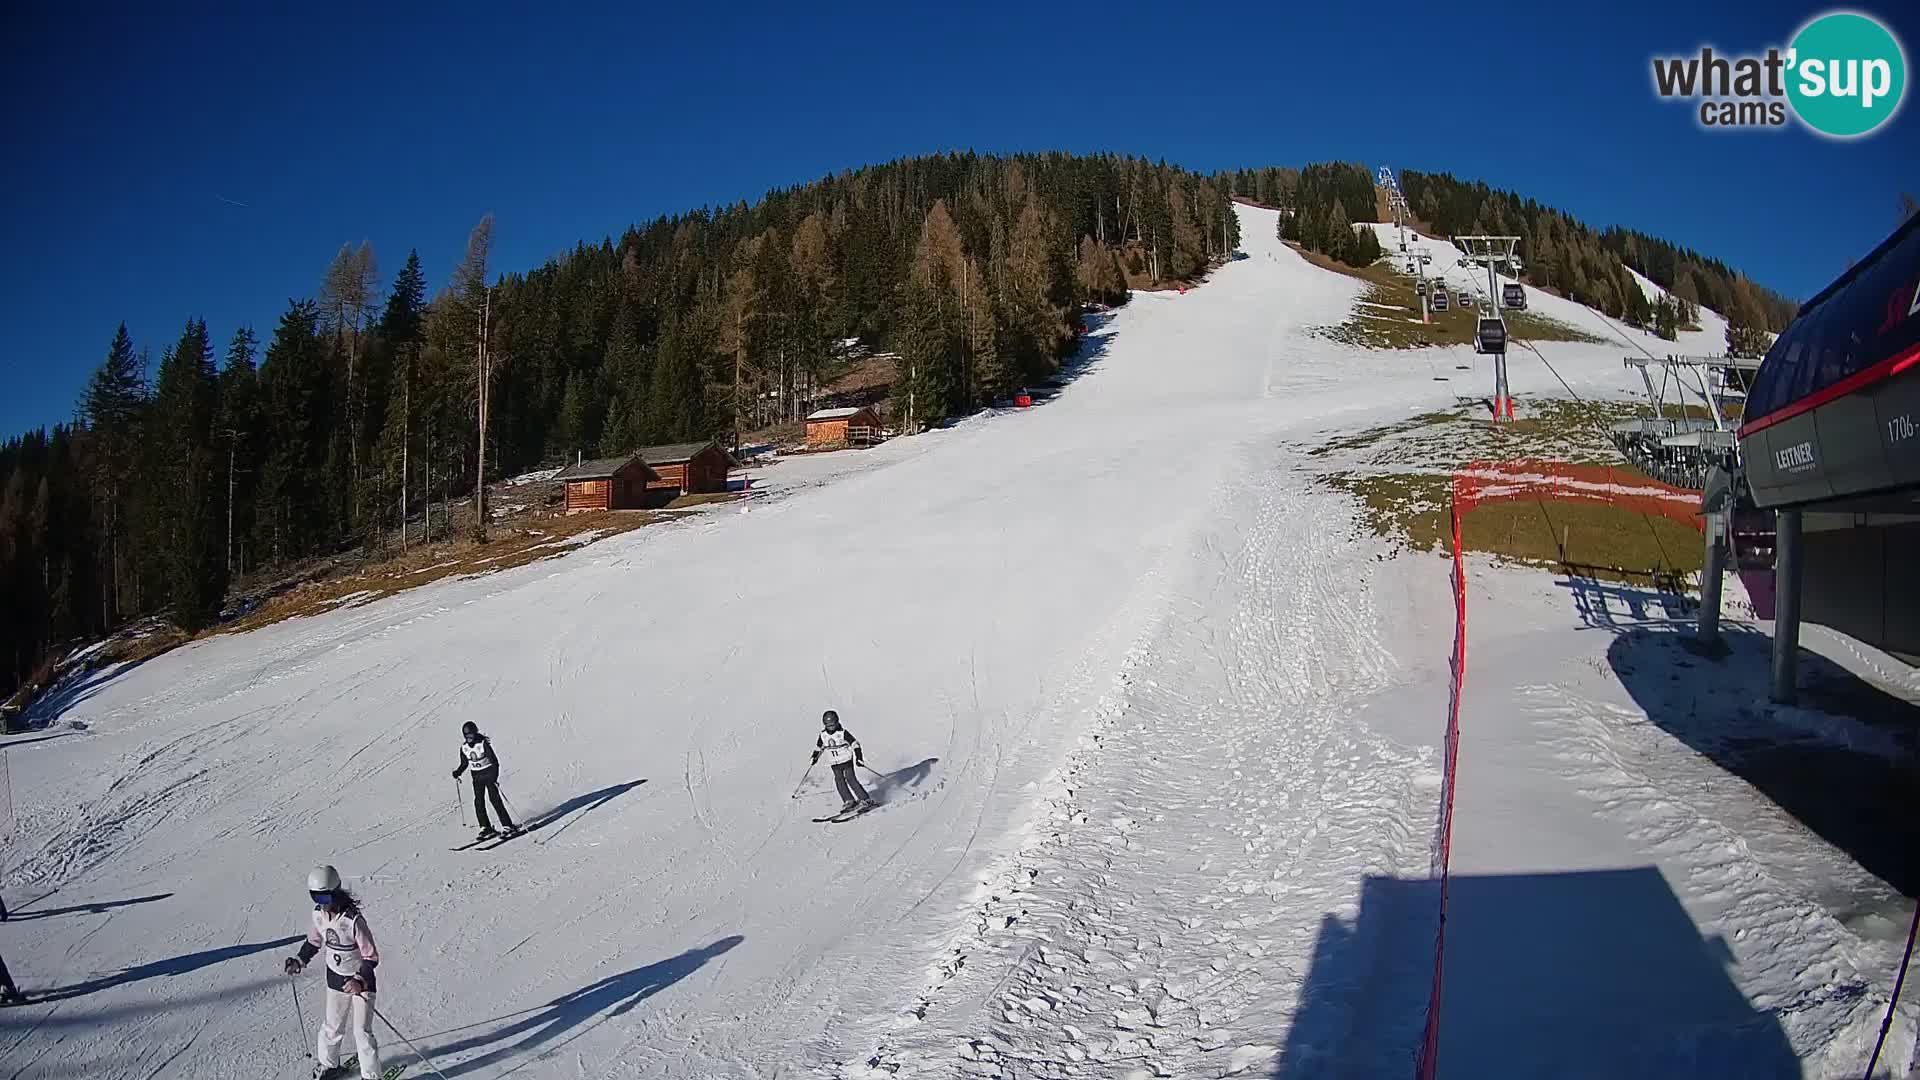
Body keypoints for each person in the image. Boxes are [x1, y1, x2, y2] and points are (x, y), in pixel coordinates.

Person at [284, 866, 381, 1080]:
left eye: (326, 896)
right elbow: (313, 941)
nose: (323, 902)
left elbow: (371, 956)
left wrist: (359, 979)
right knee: (332, 1026)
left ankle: (371, 1076)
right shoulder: (318, 914)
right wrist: (300, 960)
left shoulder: (353, 921)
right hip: (335, 979)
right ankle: (329, 1066)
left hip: (360, 983)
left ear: (336, 892)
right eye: (316, 897)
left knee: (361, 1032)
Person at [452, 721, 517, 841]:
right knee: (478, 802)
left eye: (471, 735)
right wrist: (458, 772)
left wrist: (494, 777)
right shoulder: (464, 748)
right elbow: (465, 763)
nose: (469, 738)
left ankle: (508, 826)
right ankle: (485, 827)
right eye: (467, 736)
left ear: (475, 734)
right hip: (476, 777)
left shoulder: (482, 744)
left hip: (489, 774)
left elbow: (494, 761)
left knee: (495, 800)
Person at [810, 710, 873, 814]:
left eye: (832, 724)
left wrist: (859, 757)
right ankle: (848, 800)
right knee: (839, 781)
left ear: (837, 722)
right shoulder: (823, 735)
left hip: (846, 760)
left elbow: (855, 744)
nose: (831, 727)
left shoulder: (842, 733)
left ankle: (865, 799)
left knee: (851, 779)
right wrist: (815, 757)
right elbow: (819, 747)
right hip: (834, 763)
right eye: (828, 725)